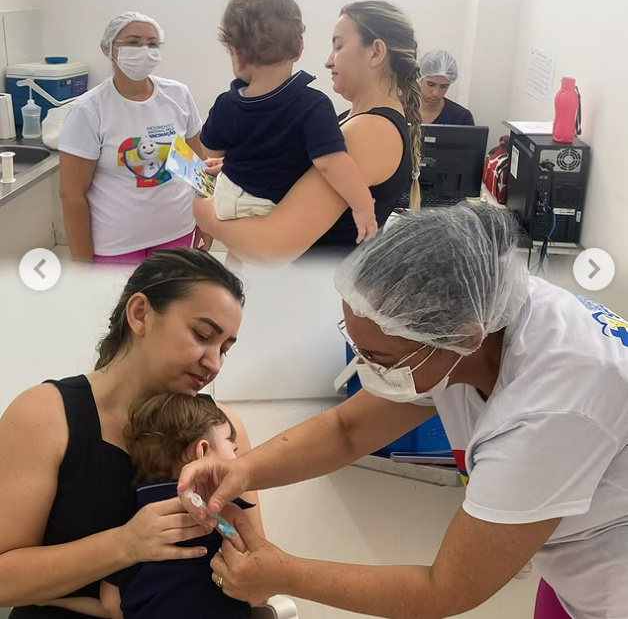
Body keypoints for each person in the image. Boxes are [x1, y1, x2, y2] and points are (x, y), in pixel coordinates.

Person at [179, 204, 628, 619]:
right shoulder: (478, 304)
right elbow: (347, 430)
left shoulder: (552, 408)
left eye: (381, 359)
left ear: (463, 337)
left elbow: (445, 588)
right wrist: (242, 470)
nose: (367, 369)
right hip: (572, 573)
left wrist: (284, 574)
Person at [0, 249, 262, 619]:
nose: (215, 362)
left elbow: (257, 580)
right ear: (140, 314)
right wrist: (124, 545)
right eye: (202, 335)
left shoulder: (224, 430)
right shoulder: (44, 415)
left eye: (225, 349)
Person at [193, 0, 420, 264]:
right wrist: (245, 165)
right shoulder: (350, 120)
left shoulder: (370, 131)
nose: (328, 61)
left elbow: (270, 248)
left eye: (338, 46)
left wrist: (204, 214)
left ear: (376, 52)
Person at [45, 393, 253, 619]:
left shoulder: (128, 520)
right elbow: (254, 569)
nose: (237, 459)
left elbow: (111, 606)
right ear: (202, 451)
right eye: (233, 449)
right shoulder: (223, 512)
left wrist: (53, 599)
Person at [59, 12, 206, 265]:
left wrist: (207, 220)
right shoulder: (89, 110)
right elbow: (72, 195)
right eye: (134, 43)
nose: (144, 50)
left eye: (152, 43)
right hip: (116, 244)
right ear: (108, 48)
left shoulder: (177, 96)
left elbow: (196, 167)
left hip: (178, 232)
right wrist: (82, 264)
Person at [418, 49, 475, 125]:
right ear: (420, 78)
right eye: (430, 84)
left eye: (444, 86)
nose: (436, 93)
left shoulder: (462, 117)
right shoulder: (402, 111)